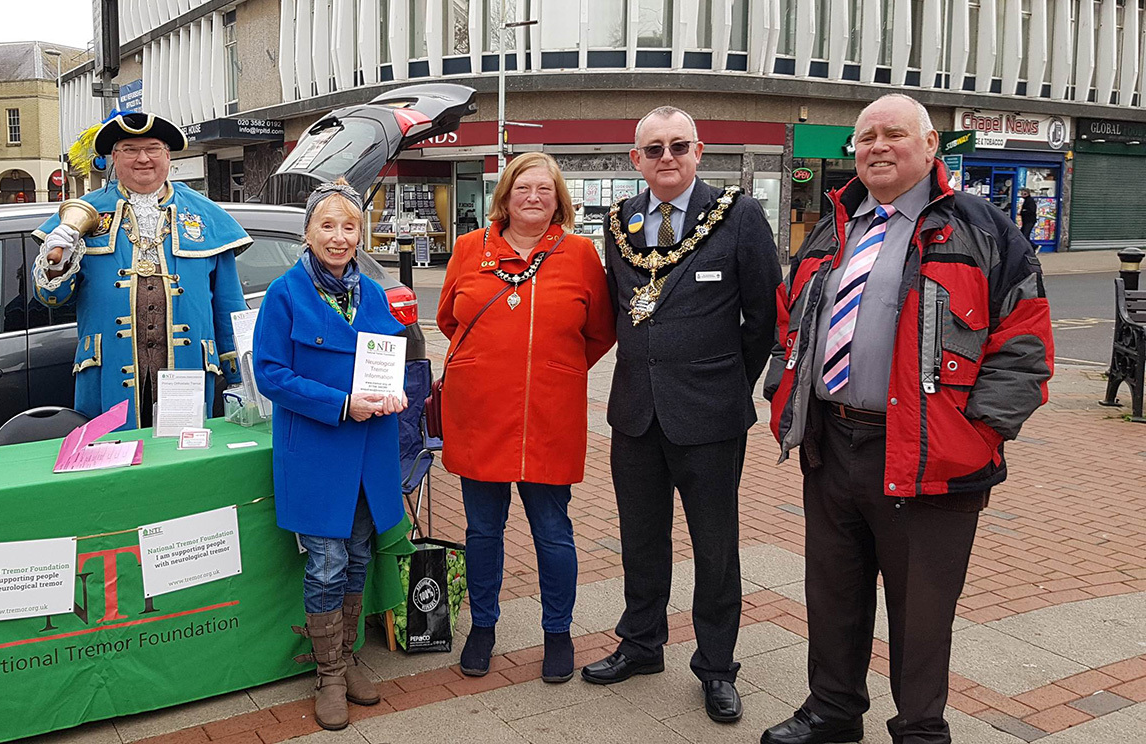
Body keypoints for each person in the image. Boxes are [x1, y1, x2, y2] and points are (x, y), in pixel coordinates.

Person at [762, 94, 1053, 744]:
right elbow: (792, 321)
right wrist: (786, 387)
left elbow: (1026, 343)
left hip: (932, 460)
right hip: (832, 448)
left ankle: (920, 730)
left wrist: (977, 435)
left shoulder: (984, 229)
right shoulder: (835, 227)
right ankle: (832, 712)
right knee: (833, 597)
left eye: (894, 134)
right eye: (866, 138)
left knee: (921, 618)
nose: (877, 147)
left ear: (929, 146)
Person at [581, 106, 782, 724]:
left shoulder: (739, 215)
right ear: (634, 159)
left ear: (700, 151)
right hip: (636, 413)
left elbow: (764, 318)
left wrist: (727, 386)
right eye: (654, 148)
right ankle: (642, 644)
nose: (667, 158)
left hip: (711, 418)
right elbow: (620, 310)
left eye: (679, 146)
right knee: (640, 540)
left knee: (714, 547)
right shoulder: (619, 222)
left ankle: (717, 667)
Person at [437, 152, 616, 684]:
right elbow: (449, 317)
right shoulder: (471, 248)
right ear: (505, 196)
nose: (533, 197)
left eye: (544, 189)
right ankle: (483, 627)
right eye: (522, 188)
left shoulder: (581, 253)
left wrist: (552, 369)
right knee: (482, 530)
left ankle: (557, 633)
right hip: (480, 411)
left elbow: (601, 330)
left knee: (553, 529)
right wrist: (492, 365)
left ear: (559, 199)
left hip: (548, 414)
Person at [254, 179, 409, 732]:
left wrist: (399, 389)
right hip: (318, 449)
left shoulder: (371, 291)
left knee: (360, 557)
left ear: (360, 234)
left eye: (349, 227)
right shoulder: (284, 293)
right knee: (326, 563)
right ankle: (329, 675)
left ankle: (349, 659)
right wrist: (341, 404)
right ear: (308, 233)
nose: (339, 237)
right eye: (328, 226)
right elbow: (270, 374)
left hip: (370, 453)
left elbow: (393, 356)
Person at [32, 111, 250, 430]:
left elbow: (229, 309)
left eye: (153, 148)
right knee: (113, 462)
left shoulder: (207, 217)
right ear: (114, 159)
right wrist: (57, 263)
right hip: (108, 375)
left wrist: (242, 380)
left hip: (187, 371)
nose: (143, 158)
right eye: (130, 150)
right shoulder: (83, 215)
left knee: (182, 460)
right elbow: (52, 300)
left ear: (168, 155)